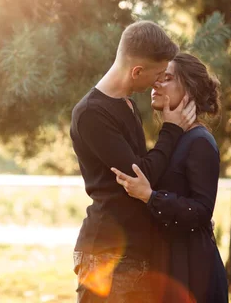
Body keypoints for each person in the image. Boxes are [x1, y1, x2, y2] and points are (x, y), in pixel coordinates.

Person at [70, 20, 197, 302]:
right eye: (158, 74)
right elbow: (141, 175)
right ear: (137, 71)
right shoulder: (92, 114)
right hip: (108, 255)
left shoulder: (126, 103)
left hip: (134, 250)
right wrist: (171, 128)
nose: (159, 82)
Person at [111, 52, 229, 302]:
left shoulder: (200, 142)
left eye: (167, 78)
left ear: (189, 88)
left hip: (192, 271)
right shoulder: (173, 139)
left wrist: (151, 197)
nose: (156, 83)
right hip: (167, 265)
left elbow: (202, 210)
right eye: (157, 77)